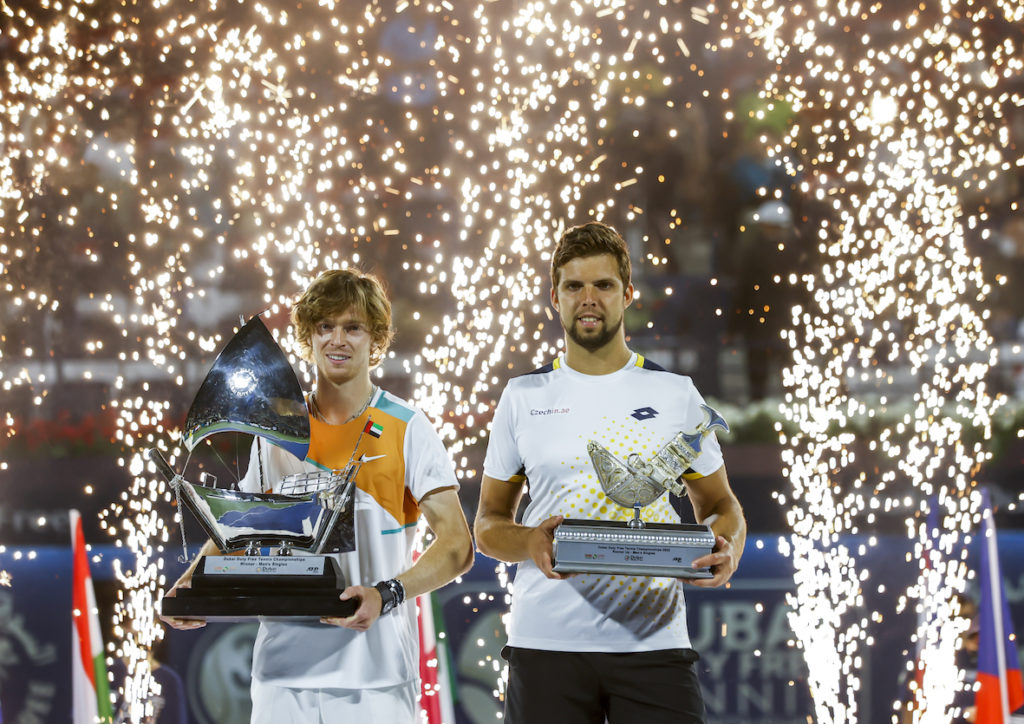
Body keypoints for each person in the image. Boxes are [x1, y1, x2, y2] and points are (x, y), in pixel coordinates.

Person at [162, 268, 474, 723]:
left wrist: (386, 595)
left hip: (376, 679)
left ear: (376, 339)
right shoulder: (275, 432)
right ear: (308, 338)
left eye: (353, 327)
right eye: (324, 327)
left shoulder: (408, 427)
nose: (337, 340)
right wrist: (192, 582)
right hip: (282, 676)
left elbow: (457, 546)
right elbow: (240, 529)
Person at [474, 221, 746, 724]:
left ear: (627, 295)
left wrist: (726, 546)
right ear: (555, 297)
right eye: (574, 286)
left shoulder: (675, 393)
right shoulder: (522, 396)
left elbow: (721, 506)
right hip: (545, 644)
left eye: (603, 285)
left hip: (653, 644)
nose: (589, 298)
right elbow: (488, 526)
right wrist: (531, 542)